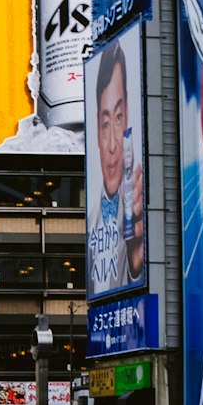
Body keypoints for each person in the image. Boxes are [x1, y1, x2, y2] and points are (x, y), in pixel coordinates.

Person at [86, 37, 144, 296]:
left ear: (129, 115)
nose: (112, 145)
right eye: (105, 123)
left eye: (118, 118)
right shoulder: (90, 221)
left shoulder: (142, 202)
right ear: (96, 133)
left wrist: (136, 259)